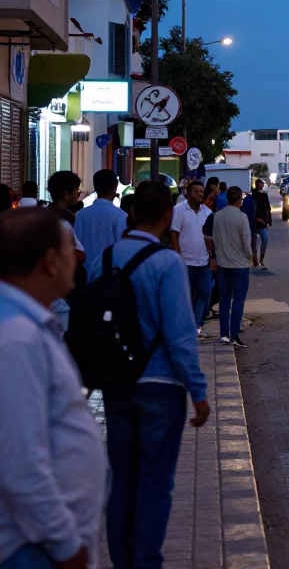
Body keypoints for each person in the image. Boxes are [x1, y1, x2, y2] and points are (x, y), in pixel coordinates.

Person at [87, 182, 210, 569]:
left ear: (133, 213)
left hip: (116, 385)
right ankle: (147, 562)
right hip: (161, 387)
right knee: (155, 483)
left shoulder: (103, 260)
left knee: (122, 480)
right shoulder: (166, 263)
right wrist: (198, 390)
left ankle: (123, 562)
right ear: (167, 216)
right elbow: (179, 334)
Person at [0, 208, 107, 569]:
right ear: (50, 262)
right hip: (32, 548)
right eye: (69, 251)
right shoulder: (16, 338)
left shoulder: (27, 323)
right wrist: (65, 545)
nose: (77, 259)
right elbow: (19, 464)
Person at [211, 187, 253, 348]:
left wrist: (217, 256)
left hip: (223, 263)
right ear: (239, 200)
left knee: (224, 299)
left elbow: (215, 239)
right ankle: (234, 334)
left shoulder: (218, 216)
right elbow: (246, 239)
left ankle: (224, 334)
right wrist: (249, 256)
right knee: (238, 300)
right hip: (240, 264)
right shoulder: (242, 217)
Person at [171, 180, 214, 336]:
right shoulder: (179, 210)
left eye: (202, 191)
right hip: (185, 262)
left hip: (203, 261)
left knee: (205, 294)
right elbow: (174, 234)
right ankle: (186, 326)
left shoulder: (208, 213)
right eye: (196, 191)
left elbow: (211, 237)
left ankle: (196, 325)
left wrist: (213, 257)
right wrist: (177, 255)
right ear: (188, 193)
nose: (200, 194)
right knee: (187, 296)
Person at [74, 169, 129, 265]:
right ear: (115, 186)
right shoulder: (120, 216)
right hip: (109, 272)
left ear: (95, 186)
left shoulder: (80, 215)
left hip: (85, 272)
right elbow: (122, 248)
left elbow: (76, 246)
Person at [251, 179, 272, 268]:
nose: (262, 185)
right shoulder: (257, 195)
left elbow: (268, 208)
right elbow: (268, 208)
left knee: (257, 242)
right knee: (258, 242)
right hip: (256, 222)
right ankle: (258, 260)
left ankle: (259, 260)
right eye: (261, 184)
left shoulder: (261, 195)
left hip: (259, 222)